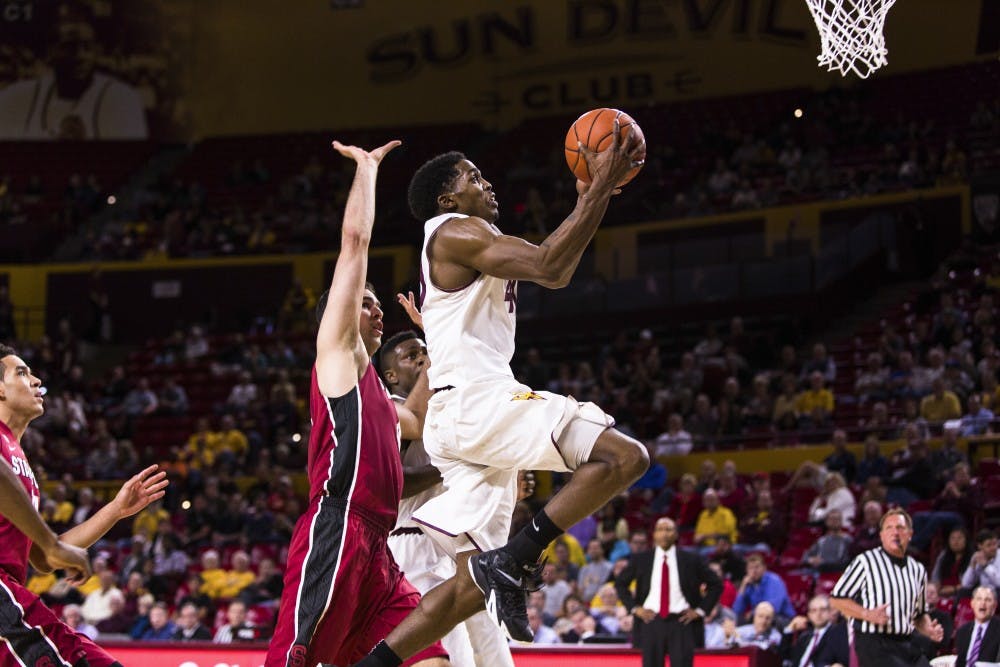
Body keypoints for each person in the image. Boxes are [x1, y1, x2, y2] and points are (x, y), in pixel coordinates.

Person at [350, 121, 648, 666]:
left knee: (467, 588)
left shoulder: (468, 240)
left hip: (458, 416)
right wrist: (600, 185)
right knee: (624, 457)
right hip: (475, 402)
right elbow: (550, 267)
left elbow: (555, 259)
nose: (487, 184)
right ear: (447, 197)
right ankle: (518, 557)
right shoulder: (453, 230)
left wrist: (592, 198)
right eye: (473, 177)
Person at [263, 140, 448, 667]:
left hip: (379, 549)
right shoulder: (337, 355)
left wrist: (437, 342)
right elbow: (354, 241)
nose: (376, 308)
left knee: (430, 659)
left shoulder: (380, 399)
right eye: (364, 301)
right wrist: (367, 172)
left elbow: (415, 419)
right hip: (337, 529)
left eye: (375, 301)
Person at [0, 343, 167, 667]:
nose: (36, 381)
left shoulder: (20, 461)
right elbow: (50, 547)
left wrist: (114, 510)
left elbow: (44, 557)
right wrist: (51, 545)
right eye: (21, 372)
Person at [378, 327, 514, 667]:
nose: (423, 358)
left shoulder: (444, 408)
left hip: (456, 545)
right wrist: (450, 466)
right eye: (412, 356)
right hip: (412, 547)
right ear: (391, 376)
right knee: (452, 656)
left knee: (491, 652)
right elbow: (393, 486)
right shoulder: (387, 412)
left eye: (425, 350)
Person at [0, 4, 147, 139]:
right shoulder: (17, 97)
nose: (81, 56)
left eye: (87, 47)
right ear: (50, 52)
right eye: (70, 47)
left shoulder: (122, 99)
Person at [829, 508, 944, 666]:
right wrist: (867, 614)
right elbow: (836, 599)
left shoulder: (917, 569)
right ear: (881, 535)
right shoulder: (866, 561)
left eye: (900, 528)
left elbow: (919, 615)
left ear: (910, 534)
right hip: (875, 643)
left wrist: (929, 629)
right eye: (889, 528)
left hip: (906, 642)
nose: (895, 532)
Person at [612, 517, 722, 667]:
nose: (664, 534)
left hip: (682, 622)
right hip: (651, 621)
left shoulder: (691, 560)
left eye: (668, 529)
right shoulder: (642, 559)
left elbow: (716, 584)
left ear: (676, 534)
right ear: (654, 535)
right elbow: (620, 583)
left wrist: (701, 611)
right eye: (660, 529)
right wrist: (634, 608)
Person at [779, 594, 849, 667]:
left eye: (822, 609)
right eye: (814, 610)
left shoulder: (838, 634)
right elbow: (785, 655)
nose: (818, 614)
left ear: (829, 612)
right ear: (809, 615)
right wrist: (790, 629)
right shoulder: (805, 636)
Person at [953, 586, 1000, 667]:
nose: (983, 603)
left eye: (988, 600)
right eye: (979, 599)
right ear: (972, 603)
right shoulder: (962, 631)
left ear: (995, 605)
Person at [961, 529, 1000, 593]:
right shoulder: (978, 557)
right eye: (989, 545)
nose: (993, 548)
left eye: (995, 544)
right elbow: (965, 584)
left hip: (997, 592)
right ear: (980, 546)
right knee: (962, 592)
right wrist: (972, 565)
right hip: (983, 593)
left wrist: (986, 566)